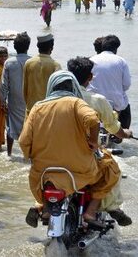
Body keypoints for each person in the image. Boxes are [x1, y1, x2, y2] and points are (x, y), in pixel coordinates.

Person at [19, 71, 120, 228]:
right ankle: (91, 212)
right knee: (110, 169)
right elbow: (93, 119)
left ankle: (45, 208)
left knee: (45, 181)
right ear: (73, 87)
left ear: (51, 87)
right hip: (79, 170)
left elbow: (24, 140)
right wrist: (93, 141)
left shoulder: (37, 107)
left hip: (44, 171)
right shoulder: (76, 103)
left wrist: (32, 156)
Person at [67, 56, 133, 226]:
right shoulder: (96, 100)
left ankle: (41, 208)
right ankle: (100, 209)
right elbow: (113, 128)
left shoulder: (54, 100)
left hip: (57, 153)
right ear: (90, 77)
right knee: (112, 170)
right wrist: (125, 133)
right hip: (85, 155)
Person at [88, 35, 132, 128]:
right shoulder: (121, 61)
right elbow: (126, 85)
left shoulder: (91, 60)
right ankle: (123, 131)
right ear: (116, 49)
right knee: (125, 105)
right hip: (116, 105)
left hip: (94, 103)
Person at [0, 32, 32, 156]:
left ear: (15, 46)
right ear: (28, 46)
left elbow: (4, 85)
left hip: (13, 100)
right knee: (29, 126)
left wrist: (3, 101)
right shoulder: (33, 61)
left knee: (10, 127)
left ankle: (9, 154)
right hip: (30, 100)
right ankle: (28, 155)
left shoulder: (9, 63)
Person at [22, 34, 60, 114]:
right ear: (51, 48)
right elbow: (58, 91)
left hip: (32, 109)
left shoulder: (29, 63)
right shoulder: (55, 65)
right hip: (49, 109)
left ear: (38, 47)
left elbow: (25, 88)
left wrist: (28, 105)